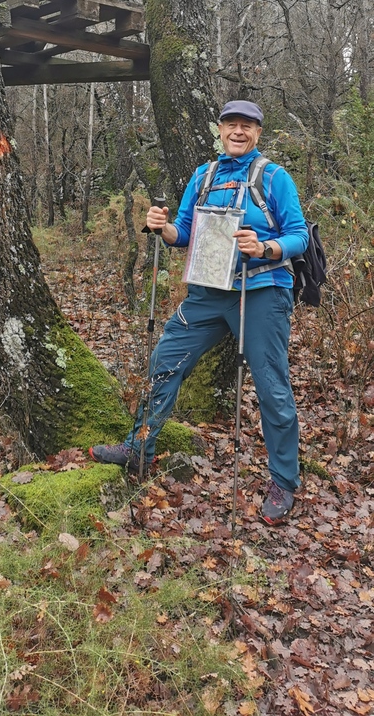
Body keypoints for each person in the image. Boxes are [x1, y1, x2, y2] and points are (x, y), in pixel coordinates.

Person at [90, 100, 308, 524]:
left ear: (258, 133)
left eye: (247, 126)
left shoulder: (275, 177)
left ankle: (284, 480)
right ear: (220, 131)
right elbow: (183, 232)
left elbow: (299, 234)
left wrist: (265, 247)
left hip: (262, 290)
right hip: (208, 291)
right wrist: (162, 225)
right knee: (164, 362)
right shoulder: (204, 175)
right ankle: (139, 450)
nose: (238, 132)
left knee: (272, 388)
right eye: (231, 125)